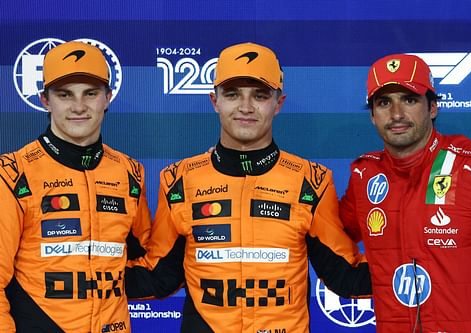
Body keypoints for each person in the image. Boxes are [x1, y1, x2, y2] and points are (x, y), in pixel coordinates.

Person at [125, 42, 371, 333]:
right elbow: (158, 276)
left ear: (278, 103)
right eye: (232, 94)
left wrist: (430, 257)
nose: (245, 107)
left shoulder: (311, 181)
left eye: (260, 95)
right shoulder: (178, 179)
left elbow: (346, 275)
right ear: (214, 101)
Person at [339, 54, 471, 333]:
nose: (397, 114)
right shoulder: (365, 177)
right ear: (373, 116)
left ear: (433, 107)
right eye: (384, 102)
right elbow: (328, 237)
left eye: (409, 100)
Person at [0, 41, 151, 332]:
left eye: (90, 94)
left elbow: (149, 260)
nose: (79, 107)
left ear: (107, 97)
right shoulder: (13, 173)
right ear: (45, 100)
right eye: (65, 94)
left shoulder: (129, 172)